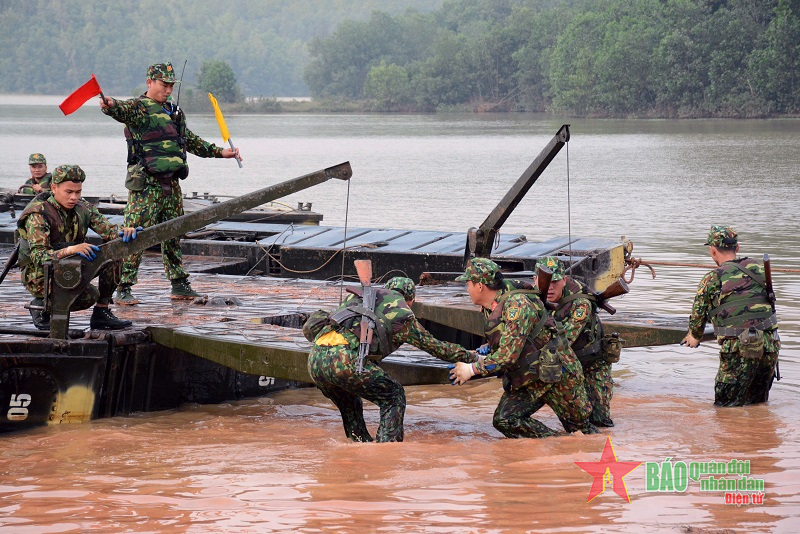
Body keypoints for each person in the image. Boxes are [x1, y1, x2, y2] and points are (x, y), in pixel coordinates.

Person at [99, 62, 241, 305]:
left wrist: (220, 152)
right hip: (146, 185)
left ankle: (179, 284)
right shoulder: (139, 108)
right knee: (135, 235)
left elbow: (190, 141)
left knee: (173, 234)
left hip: (172, 183)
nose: (168, 90)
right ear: (150, 82)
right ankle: (123, 287)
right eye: (164, 85)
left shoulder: (174, 112)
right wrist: (110, 105)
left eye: (171, 86)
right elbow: (120, 109)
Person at [303, 276, 477, 442]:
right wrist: (472, 356)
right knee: (394, 396)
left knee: (350, 402)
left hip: (315, 360)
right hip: (344, 361)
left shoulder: (357, 297)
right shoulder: (403, 314)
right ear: (411, 301)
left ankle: (358, 446)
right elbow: (438, 348)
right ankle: (386, 448)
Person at [449, 257, 597, 438]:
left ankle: (569, 445)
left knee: (582, 431)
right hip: (530, 376)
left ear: (480, 286)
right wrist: (483, 355)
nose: (467, 289)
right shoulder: (492, 305)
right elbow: (507, 344)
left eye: (468, 284)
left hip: (558, 374)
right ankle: (557, 444)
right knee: (505, 419)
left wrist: (472, 369)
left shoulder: (517, 305)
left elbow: (507, 357)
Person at [16, 165, 140, 331]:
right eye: (69, 192)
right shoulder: (38, 215)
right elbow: (39, 257)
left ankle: (101, 312)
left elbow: (109, 230)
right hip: (40, 274)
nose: (74, 197)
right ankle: (42, 304)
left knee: (113, 254)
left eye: (78, 192)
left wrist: (124, 231)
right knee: (88, 296)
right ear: (54, 188)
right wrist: (71, 250)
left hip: (71, 264)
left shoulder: (83, 207)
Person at [680, 225, 780, 406]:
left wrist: (694, 336)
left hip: (738, 348)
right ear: (737, 247)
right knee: (758, 405)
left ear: (712, 250)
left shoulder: (713, 277)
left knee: (725, 409)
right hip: (770, 345)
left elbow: (698, 312)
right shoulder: (758, 267)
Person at [535, 256, 615, 427]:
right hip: (565, 366)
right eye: (545, 282)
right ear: (535, 280)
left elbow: (564, 342)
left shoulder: (580, 303)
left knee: (599, 420)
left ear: (564, 280)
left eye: (555, 282)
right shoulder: (530, 300)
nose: (550, 287)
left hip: (591, 364)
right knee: (575, 421)